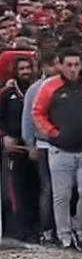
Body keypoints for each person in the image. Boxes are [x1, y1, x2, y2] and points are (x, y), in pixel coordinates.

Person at [32, 48, 82, 250]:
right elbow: (38, 112)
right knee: (61, 195)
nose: (73, 69)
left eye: (76, 64)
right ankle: (64, 235)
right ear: (61, 66)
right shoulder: (50, 86)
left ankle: (78, 226)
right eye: (69, 65)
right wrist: (52, 132)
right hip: (60, 149)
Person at [20, 51, 60, 244]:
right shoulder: (36, 89)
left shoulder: (66, 86)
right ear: (44, 66)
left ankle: (62, 228)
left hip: (65, 144)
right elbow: (28, 119)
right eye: (53, 64)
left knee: (63, 190)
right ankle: (46, 229)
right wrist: (30, 145)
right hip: (43, 144)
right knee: (48, 187)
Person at [0, 56, 35, 240]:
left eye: (28, 68)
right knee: (15, 189)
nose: (25, 72)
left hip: (34, 146)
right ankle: (17, 228)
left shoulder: (36, 89)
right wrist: (4, 136)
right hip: (14, 146)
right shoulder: (6, 93)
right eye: (22, 69)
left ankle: (32, 226)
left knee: (34, 186)